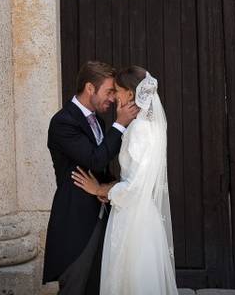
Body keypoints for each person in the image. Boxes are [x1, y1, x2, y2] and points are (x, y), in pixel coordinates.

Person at [72, 66, 177, 295]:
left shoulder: (139, 128)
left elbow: (135, 186)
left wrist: (100, 188)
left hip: (133, 219)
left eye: (117, 91)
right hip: (144, 216)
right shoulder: (150, 126)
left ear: (130, 94)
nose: (114, 96)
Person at [43, 61, 141, 294]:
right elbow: (94, 159)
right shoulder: (63, 122)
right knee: (74, 286)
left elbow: (101, 168)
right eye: (109, 91)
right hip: (75, 220)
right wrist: (120, 124)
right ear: (90, 88)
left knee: (95, 286)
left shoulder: (98, 119)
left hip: (101, 214)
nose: (113, 98)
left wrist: (109, 188)